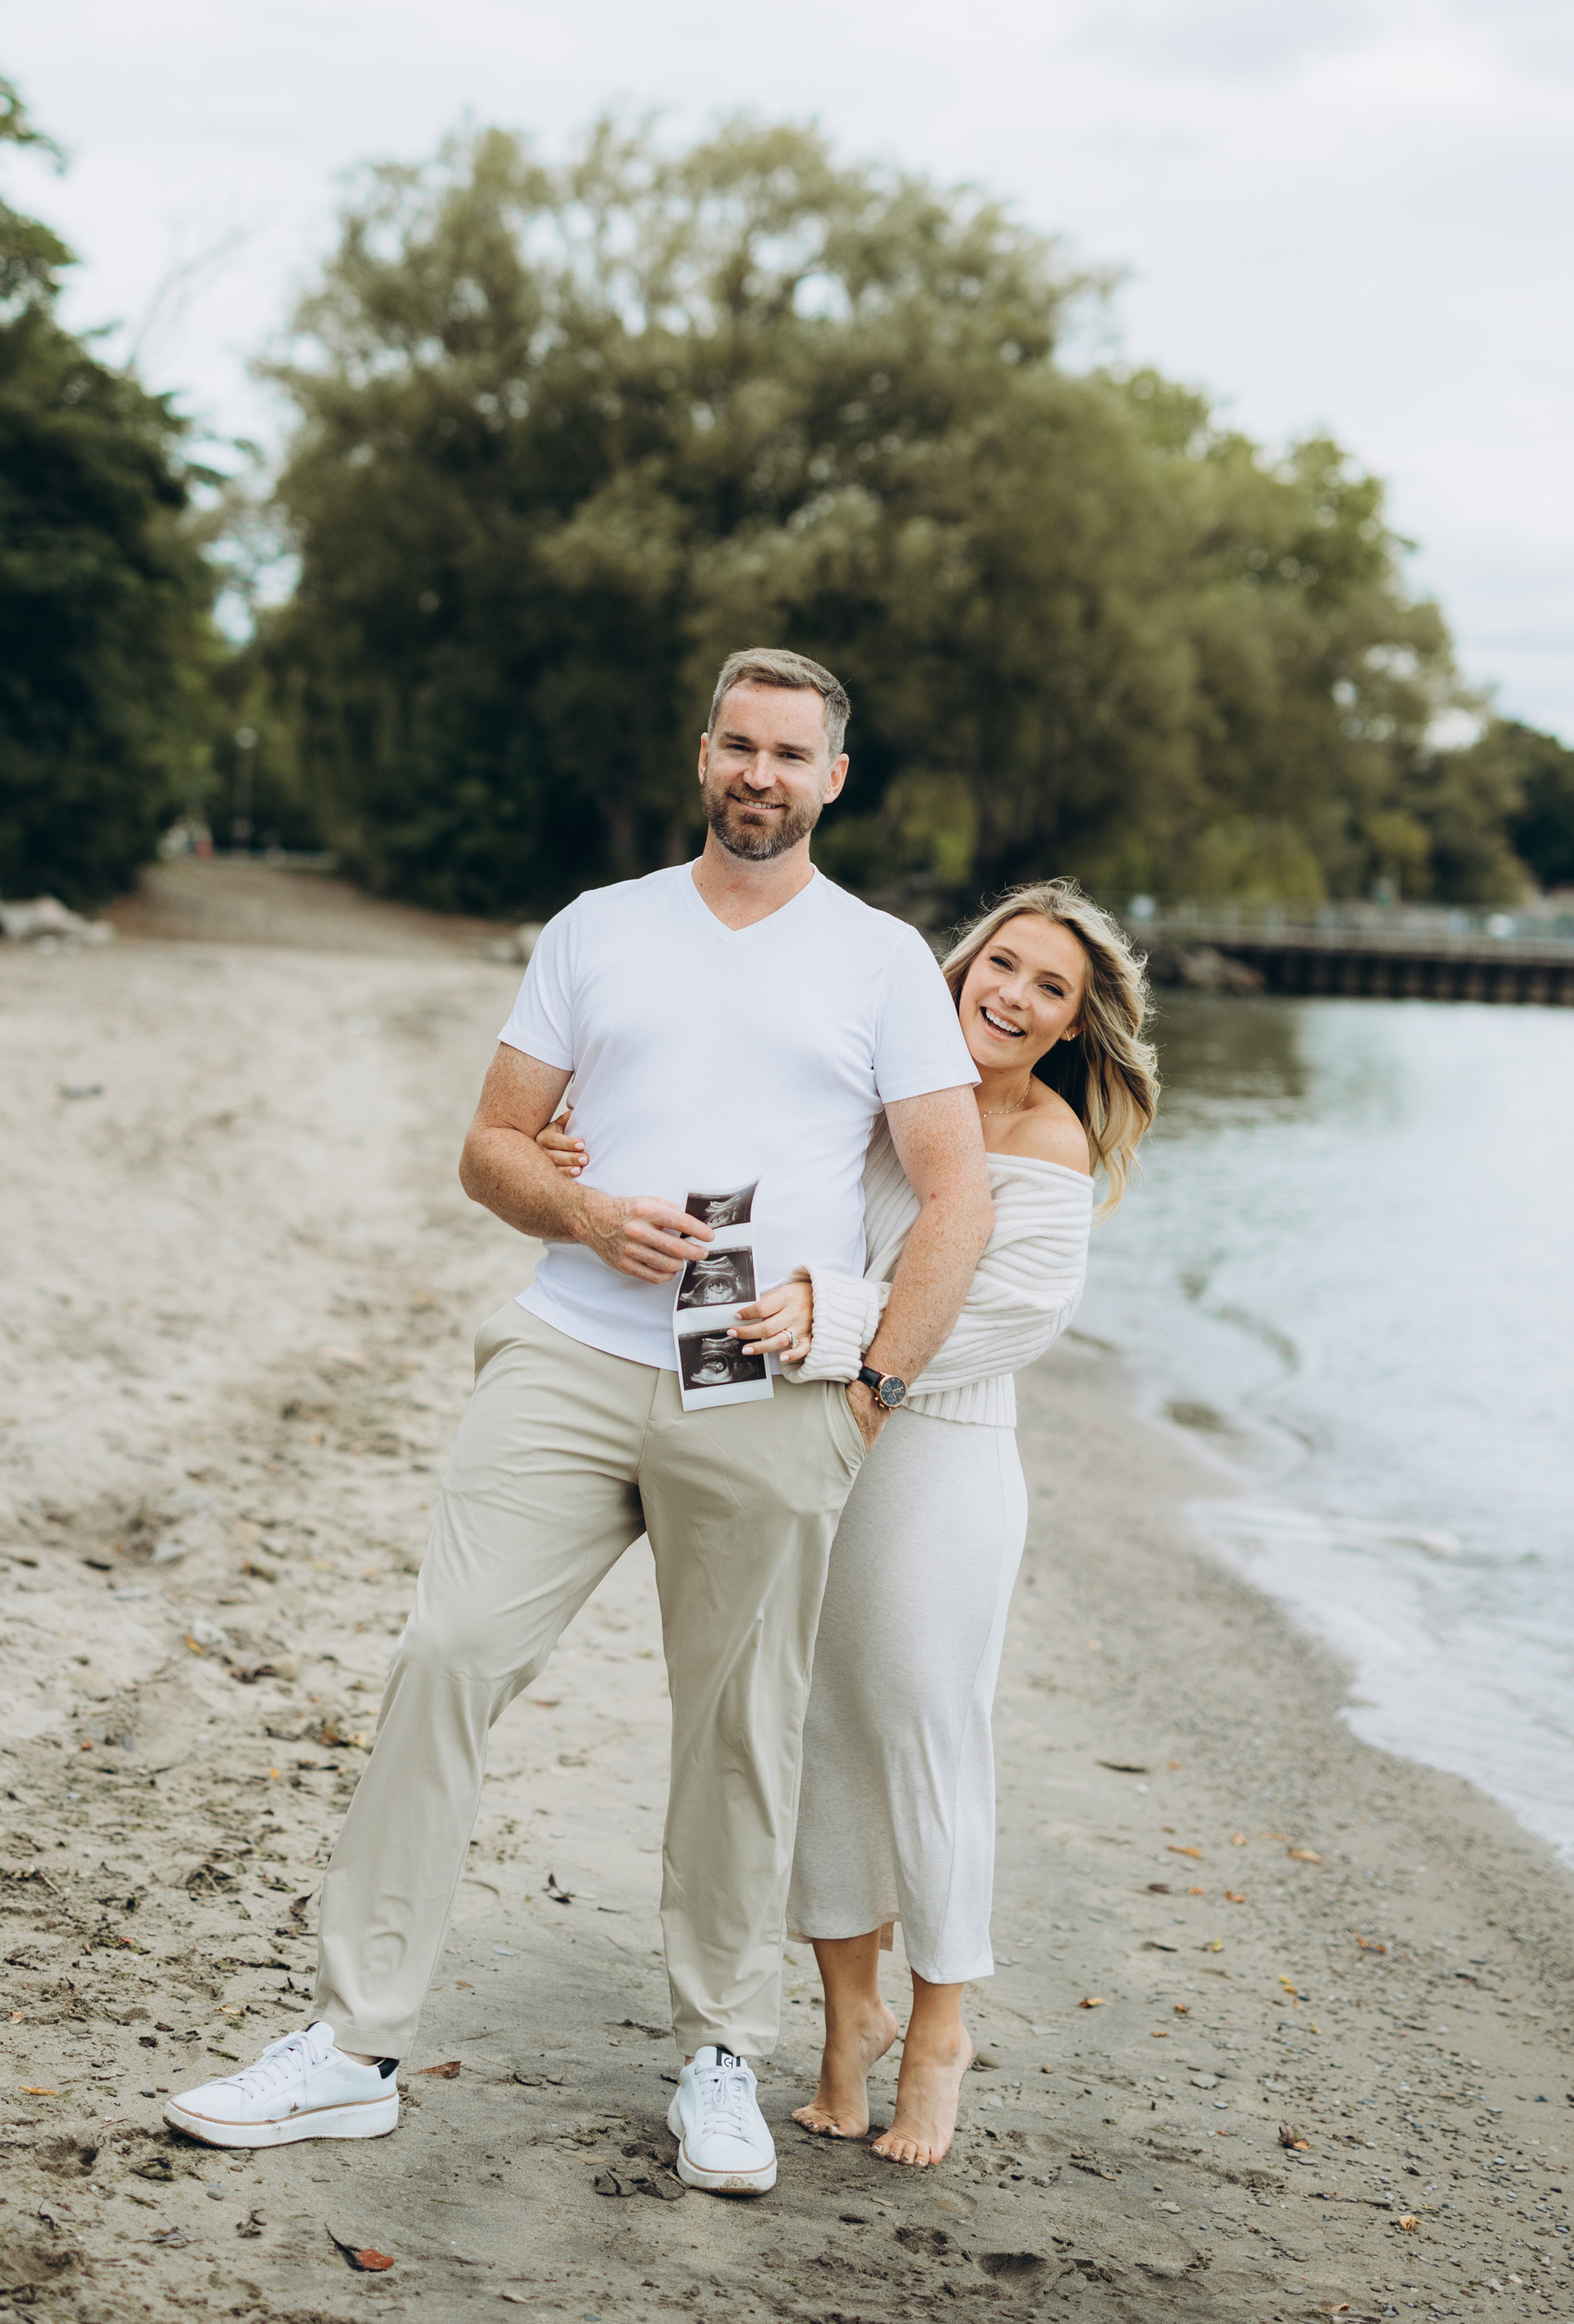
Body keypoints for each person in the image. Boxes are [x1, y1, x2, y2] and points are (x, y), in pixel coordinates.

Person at [167, 649, 993, 2198]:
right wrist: (581, 1209)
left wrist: (874, 1383)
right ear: (702, 759)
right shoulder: (596, 930)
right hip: (566, 1352)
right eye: (739, 746)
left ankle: (719, 2056)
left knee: (738, 1732)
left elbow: (960, 1194)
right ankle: (351, 2048)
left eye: (792, 754)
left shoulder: (881, 961)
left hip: (759, 1387)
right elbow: (488, 1150)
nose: (762, 774)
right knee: (445, 1657)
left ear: (834, 780)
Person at [537, 878, 1157, 2170]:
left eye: (1053, 988)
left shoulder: (1044, 1142)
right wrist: (580, 1169)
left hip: (940, 1453)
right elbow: (725, 1191)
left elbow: (1010, 1322)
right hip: (807, 1436)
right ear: (960, 965)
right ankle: (849, 2019)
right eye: (1004, 963)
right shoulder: (879, 1096)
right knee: (812, 1726)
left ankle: (939, 2030)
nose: (1015, 994)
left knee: (925, 1724)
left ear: (1073, 1027)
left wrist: (825, 1327)